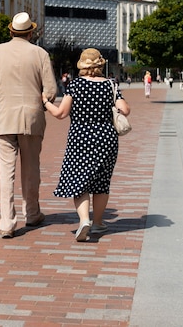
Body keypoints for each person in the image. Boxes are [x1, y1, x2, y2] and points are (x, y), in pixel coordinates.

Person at [0, 12, 57, 239]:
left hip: (2, 117)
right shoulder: (40, 53)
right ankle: (32, 213)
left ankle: (7, 222)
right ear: (31, 32)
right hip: (31, 117)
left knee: (6, 171)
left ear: (11, 31)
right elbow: (51, 90)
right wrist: (41, 102)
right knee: (31, 168)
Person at [42, 48, 130, 242]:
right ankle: (98, 222)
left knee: (79, 180)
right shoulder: (111, 84)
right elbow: (125, 109)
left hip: (80, 138)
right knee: (101, 182)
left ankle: (84, 220)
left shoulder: (75, 85)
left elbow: (60, 114)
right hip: (107, 138)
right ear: (100, 65)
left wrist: (45, 103)